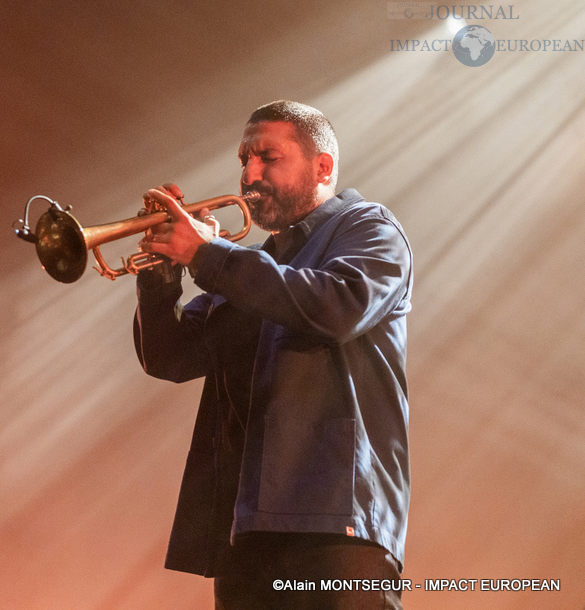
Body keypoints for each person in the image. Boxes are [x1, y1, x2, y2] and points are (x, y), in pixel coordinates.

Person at [133, 100, 413, 609]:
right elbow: (170, 358)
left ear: (322, 166)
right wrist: (162, 271)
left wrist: (208, 254)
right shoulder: (248, 268)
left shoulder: (368, 228)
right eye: (244, 159)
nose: (248, 173)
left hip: (336, 522)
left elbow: (335, 308)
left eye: (268, 157)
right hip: (246, 532)